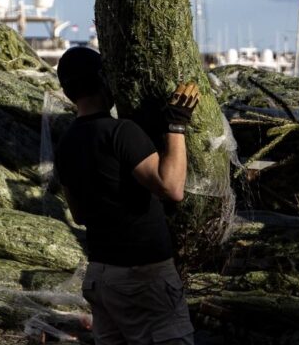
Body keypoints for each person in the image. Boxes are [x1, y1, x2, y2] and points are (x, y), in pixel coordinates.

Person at [52, 46, 198, 345]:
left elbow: (79, 215)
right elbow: (172, 188)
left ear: (67, 93)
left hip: (101, 278)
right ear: (105, 81)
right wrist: (177, 123)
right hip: (143, 277)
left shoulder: (65, 144)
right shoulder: (121, 132)